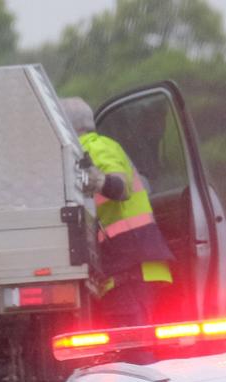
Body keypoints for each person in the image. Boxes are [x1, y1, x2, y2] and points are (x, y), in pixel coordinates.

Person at [60, 97, 175, 329]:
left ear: (66, 126)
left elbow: (120, 187)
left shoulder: (94, 147)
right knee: (136, 352)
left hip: (132, 273)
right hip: (133, 272)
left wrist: (100, 181)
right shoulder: (90, 149)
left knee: (133, 352)